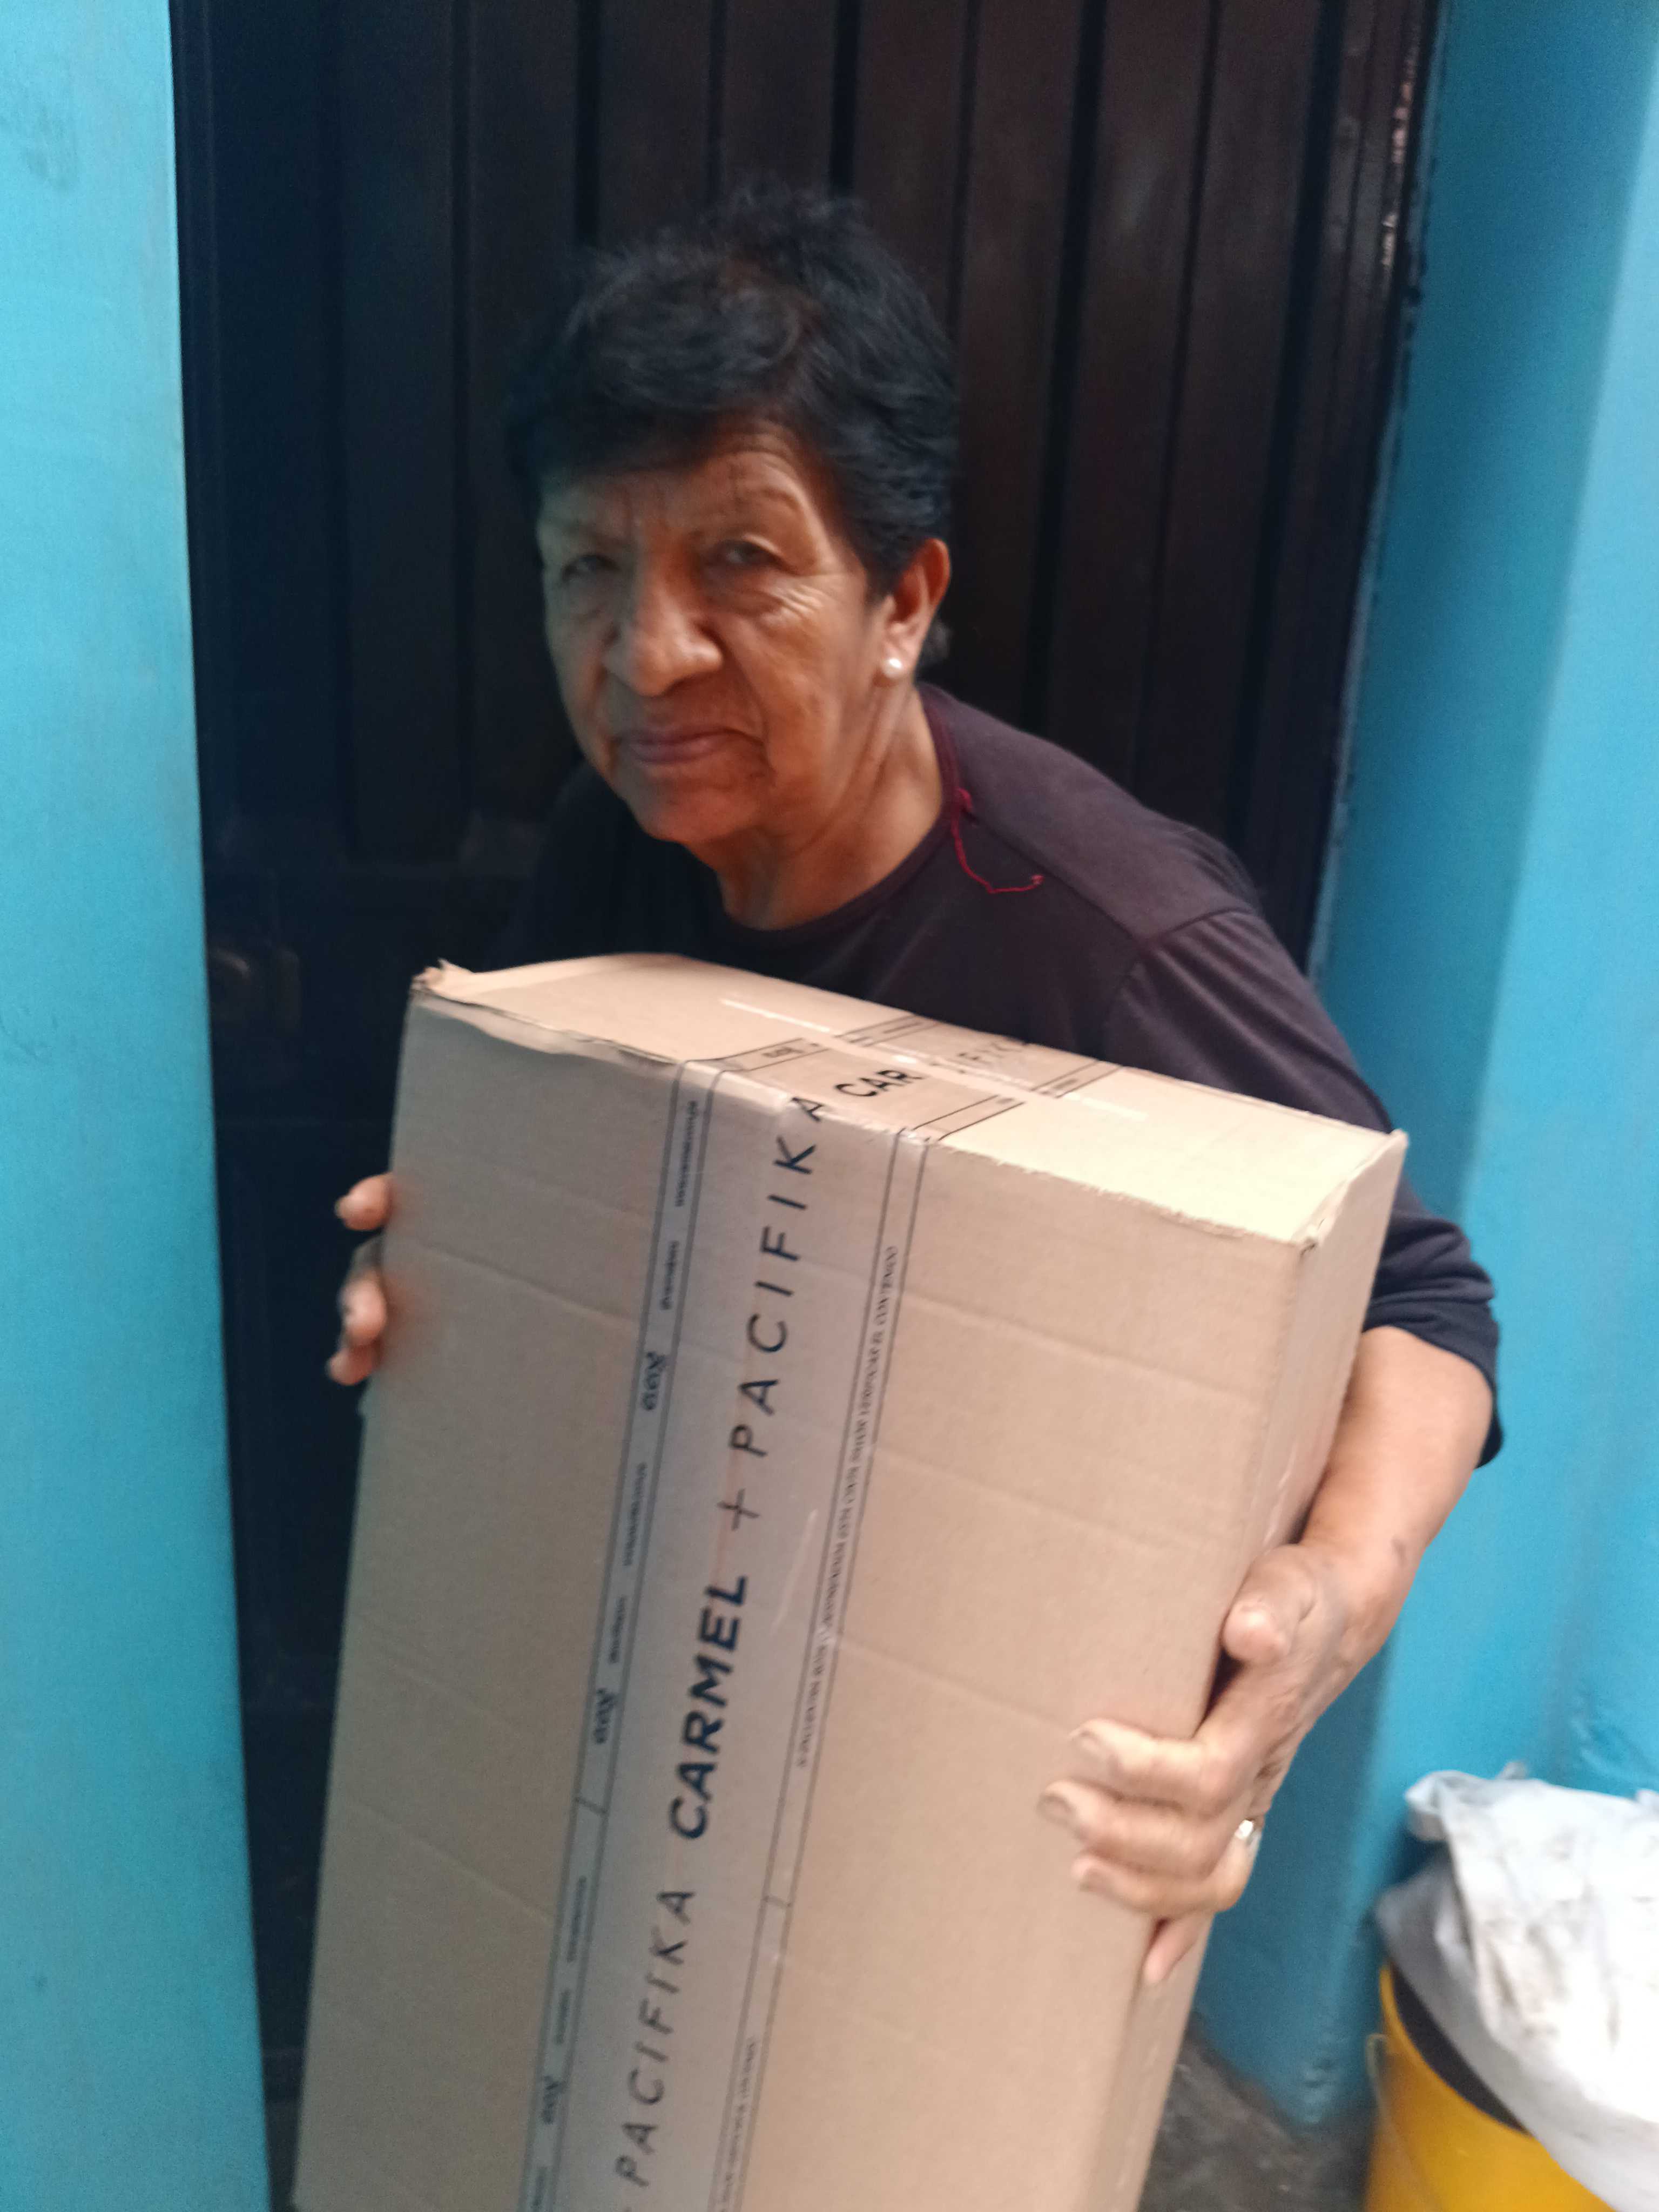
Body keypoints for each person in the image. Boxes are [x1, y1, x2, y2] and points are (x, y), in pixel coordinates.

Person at [328, 183, 1498, 1987]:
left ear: (904, 600)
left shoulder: (1114, 933)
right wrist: (444, 1267)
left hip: (988, 1748)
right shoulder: (616, 841)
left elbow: (1420, 1300)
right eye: (589, 568)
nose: (647, 656)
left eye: (740, 562)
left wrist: (1321, 1618)